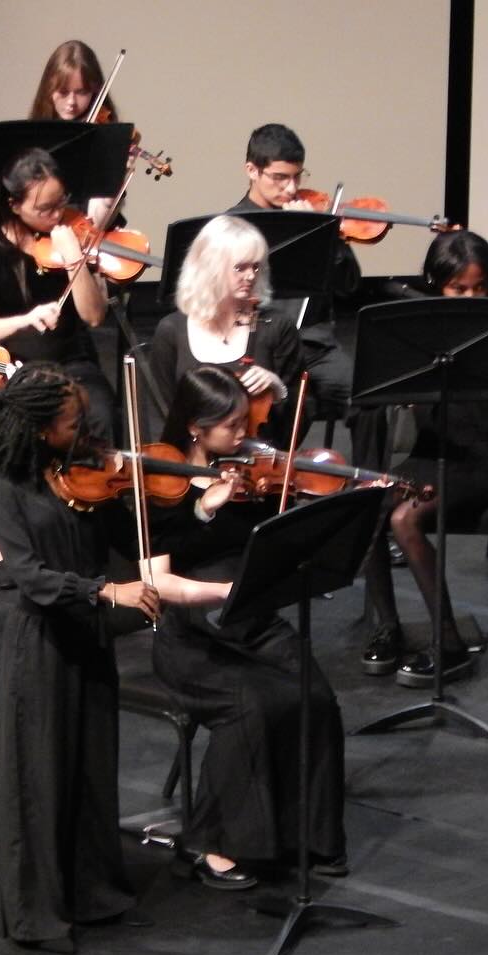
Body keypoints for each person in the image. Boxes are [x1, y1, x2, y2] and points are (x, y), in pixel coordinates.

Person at [147, 366, 350, 887]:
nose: (246, 436)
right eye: (233, 426)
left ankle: (308, 835)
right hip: (190, 634)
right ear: (196, 425)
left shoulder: (245, 470)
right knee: (252, 707)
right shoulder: (159, 487)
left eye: (246, 423)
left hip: (250, 622)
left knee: (317, 698)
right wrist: (204, 514)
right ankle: (212, 841)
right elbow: (159, 584)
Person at [0, 364, 158, 952]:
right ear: (39, 430)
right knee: (42, 778)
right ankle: (39, 911)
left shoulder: (78, 473)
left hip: (88, 639)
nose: (82, 431)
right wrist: (106, 591)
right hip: (43, 647)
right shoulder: (1, 492)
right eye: (71, 423)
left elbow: (116, 536)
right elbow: (29, 578)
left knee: (89, 768)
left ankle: (93, 892)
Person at [360, 231, 488, 685]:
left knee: (405, 520)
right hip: (430, 456)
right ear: (437, 287)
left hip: (480, 462)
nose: (469, 299)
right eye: (457, 290)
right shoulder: (420, 338)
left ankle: (449, 642)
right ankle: (388, 627)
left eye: (478, 289)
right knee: (364, 504)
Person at [0, 147, 112, 438]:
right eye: (45, 210)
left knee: (98, 414)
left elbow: (94, 316)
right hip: (13, 364)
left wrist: (73, 258)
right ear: (14, 205)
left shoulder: (71, 234)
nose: (58, 215)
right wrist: (26, 319)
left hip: (71, 362)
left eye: (61, 202)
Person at [230, 123, 362, 453]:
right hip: (266, 346)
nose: (291, 188)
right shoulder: (233, 227)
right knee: (281, 404)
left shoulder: (316, 221)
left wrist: (325, 237)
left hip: (316, 347)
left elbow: (350, 286)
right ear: (252, 170)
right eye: (279, 177)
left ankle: (375, 488)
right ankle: (275, 482)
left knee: (370, 396)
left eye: (297, 176)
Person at [147, 214, 300, 445]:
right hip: (192, 461)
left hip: (259, 462)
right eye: (240, 268)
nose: (250, 276)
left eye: (256, 267)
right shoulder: (171, 330)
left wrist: (278, 390)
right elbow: (162, 414)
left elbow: (300, 413)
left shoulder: (278, 327)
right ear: (209, 268)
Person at [28, 40, 119, 229]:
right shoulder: (32, 139)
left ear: (95, 91)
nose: (71, 102)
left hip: (88, 234)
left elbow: (96, 224)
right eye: (63, 92)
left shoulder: (103, 137)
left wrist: (112, 187)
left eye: (81, 92)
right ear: (48, 89)